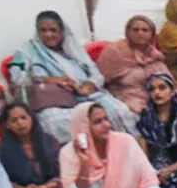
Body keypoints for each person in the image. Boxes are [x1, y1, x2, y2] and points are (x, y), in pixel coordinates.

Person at [13, 9, 123, 137]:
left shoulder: (74, 48)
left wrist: (87, 86)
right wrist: (49, 80)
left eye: (53, 30)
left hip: (85, 96)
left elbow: (96, 73)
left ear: (61, 31)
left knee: (117, 110)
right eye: (43, 30)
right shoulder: (26, 50)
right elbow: (17, 79)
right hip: (53, 102)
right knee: (53, 121)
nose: (48, 35)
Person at [56, 103, 161, 188]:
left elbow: (149, 178)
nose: (107, 125)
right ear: (84, 127)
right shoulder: (68, 152)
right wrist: (84, 163)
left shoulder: (125, 141)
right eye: (98, 122)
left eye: (106, 119)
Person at [130, 70, 177, 188]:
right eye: (152, 89)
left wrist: (171, 169)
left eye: (162, 88)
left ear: (172, 91)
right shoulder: (145, 117)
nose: (157, 93)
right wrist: (153, 172)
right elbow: (144, 156)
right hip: (158, 167)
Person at [95, 13, 174, 117]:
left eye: (145, 30)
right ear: (128, 32)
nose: (140, 33)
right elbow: (100, 80)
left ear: (152, 34)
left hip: (155, 93)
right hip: (126, 95)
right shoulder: (114, 51)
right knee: (145, 113)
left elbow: (169, 80)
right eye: (135, 30)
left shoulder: (153, 54)